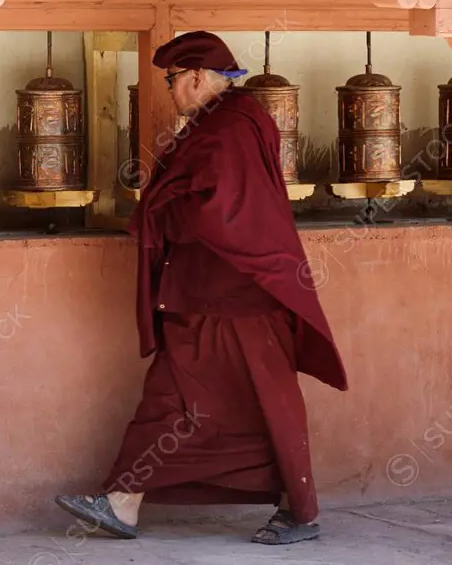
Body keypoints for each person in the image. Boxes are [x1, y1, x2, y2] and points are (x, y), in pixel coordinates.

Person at [54, 31, 348, 546]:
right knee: (171, 397)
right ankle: (122, 503)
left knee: (269, 400)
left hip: (243, 291)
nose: (169, 90)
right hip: (202, 291)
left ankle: (299, 510)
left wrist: (163, 212)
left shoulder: (231, 127)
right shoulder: (224, 123)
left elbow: (225, 209)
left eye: (171, 80)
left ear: (194, 76)